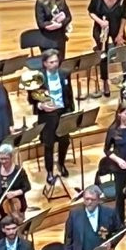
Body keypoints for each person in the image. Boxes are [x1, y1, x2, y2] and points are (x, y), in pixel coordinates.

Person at [32, 49, 74, 186]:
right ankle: (49, 171)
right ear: (45, 63)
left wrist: (71, 112)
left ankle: (61, 164)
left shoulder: (64, 74)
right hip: (47, 115)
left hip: (62, 112)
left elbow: (69, 94)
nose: (55, 64)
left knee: (64, 141)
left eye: (56, 61)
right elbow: (31, 98)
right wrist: (40, 106)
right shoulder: (38, 77)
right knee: (49, 144)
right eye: (51, 62)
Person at [88, 0, 126, 97]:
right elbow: (91, 12)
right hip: (101, 30)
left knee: (123, 52)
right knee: (103, 55)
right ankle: (105, 81)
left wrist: (120, 34)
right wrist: (100, 22)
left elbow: (124, 16)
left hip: (117, 28)